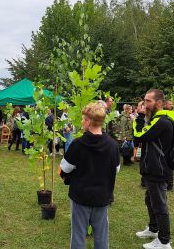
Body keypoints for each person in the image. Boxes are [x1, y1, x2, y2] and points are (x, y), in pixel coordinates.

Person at [58, 101, 120, 249]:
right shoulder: (112, 145)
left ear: (88, 121)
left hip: (81, 197)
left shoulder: (78, 144)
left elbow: (64, 169)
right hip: (102, 197)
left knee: (78, 235)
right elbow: (116, 169)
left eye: (82, 118)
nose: (81, 121)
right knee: (101, 237)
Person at [134, 89, 174, 249]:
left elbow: (138, 135)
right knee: (150, 199)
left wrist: (139, 116)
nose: (144, 105)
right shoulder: (158, 120)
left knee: (159, 205)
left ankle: (164, 241)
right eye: (144, 101)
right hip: (153, 168)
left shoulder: (161, 122)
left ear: (159, 103)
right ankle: (153, 228)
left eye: (148, 101)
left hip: (157, 169)